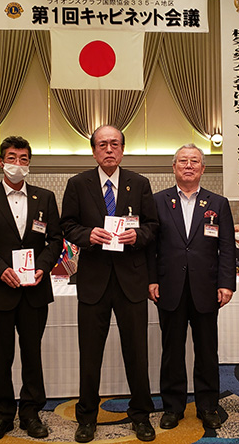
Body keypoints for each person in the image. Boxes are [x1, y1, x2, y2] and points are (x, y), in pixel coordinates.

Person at [60, 125, 158, 443]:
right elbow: (67, 224)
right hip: (93, 281)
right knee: (90, 354)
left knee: (137, 352)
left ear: (123, 149)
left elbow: (153, 226)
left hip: (131, 280)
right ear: (94, 151)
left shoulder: (139, 184)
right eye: (102, 144)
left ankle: (141, 415)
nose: (109, 149)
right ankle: (87, 417)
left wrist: (137, 235)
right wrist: (87, 235)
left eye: (115, 144)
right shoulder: (78, 184)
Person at [0, 136, 63, 442]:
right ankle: (2, 414)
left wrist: (42, 267)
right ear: (1, 162)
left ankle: (31, 413)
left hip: (34, 290)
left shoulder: (45, 197)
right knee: (1, 356)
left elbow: (55, 240)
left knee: (32, 354)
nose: (17, 164)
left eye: (23, 159)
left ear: (29, 163)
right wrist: (0, 270)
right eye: (12, 158)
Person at [147, 144, 235, 430]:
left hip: (206, 288)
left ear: (203, 168)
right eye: (183, 161)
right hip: (169, 287)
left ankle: (208, 405)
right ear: (174, 167)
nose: (188, 165)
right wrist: (151, 279)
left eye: (194, 161)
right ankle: (172, 407)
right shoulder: (157, 201)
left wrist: (226, 283)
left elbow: (226, 248)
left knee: (207, 350)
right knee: (171, 350)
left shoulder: (217, 203)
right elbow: (150, 247)